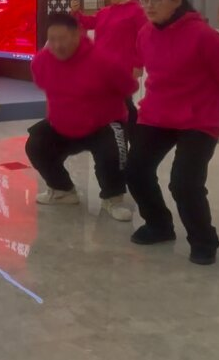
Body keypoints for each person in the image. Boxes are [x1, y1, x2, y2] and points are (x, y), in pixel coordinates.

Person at [126, 0, 219, 265]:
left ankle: (203, 240)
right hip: (158, 113)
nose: (149, 6)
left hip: (199, 116)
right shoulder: (145, 33)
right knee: (136, 169)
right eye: (145, 0)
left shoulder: (204, 36)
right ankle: (159, 224)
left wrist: (199, 96)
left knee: (184, 182)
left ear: (177, 0)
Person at [26, 13, 138, 221]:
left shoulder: (104, 60)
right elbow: (47, 87)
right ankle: (62, 191)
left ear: (77, 34)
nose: (57, 45)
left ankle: (113, 198)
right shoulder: (41, 62)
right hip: (64, 124)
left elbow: (129, 87)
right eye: (52, 39)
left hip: (103, 123)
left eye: (63, 38)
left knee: (113, 150)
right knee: (36, 143)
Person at [71, 0, 148, 128]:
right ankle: (115, 131)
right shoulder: (105, 12)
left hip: (123, 66)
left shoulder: (137, 11)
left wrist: (138, 64)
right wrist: (76, 12)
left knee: (120, 101)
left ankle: (127, 131)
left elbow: (144, 39)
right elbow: (88, 22)